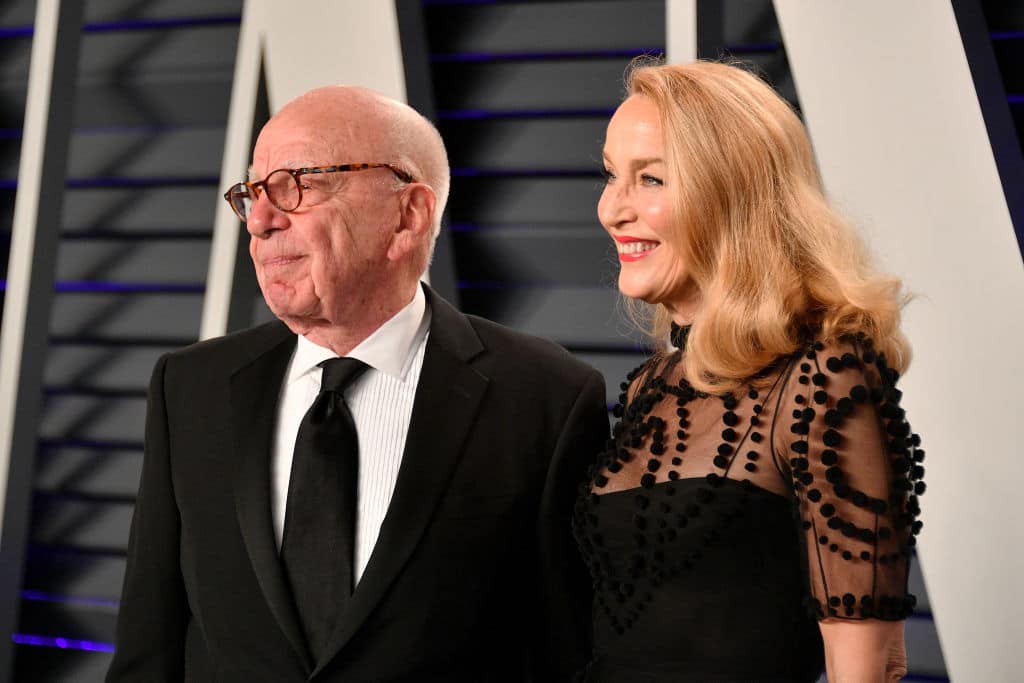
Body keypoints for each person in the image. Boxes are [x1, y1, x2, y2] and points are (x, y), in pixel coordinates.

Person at [106, 85, 609, 682]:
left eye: (298, 183)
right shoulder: (189, 388)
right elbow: (148, 649)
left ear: (408, 214)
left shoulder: (546, 398)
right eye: (253, 193)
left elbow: (566, 659)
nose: (261, 220)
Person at [573, 60, 924, 682]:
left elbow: (872, 667)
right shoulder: (657, 386)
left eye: (650, 179)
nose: (612, 209)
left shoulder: (825, 378)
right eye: (610, 176)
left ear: (730, 194)